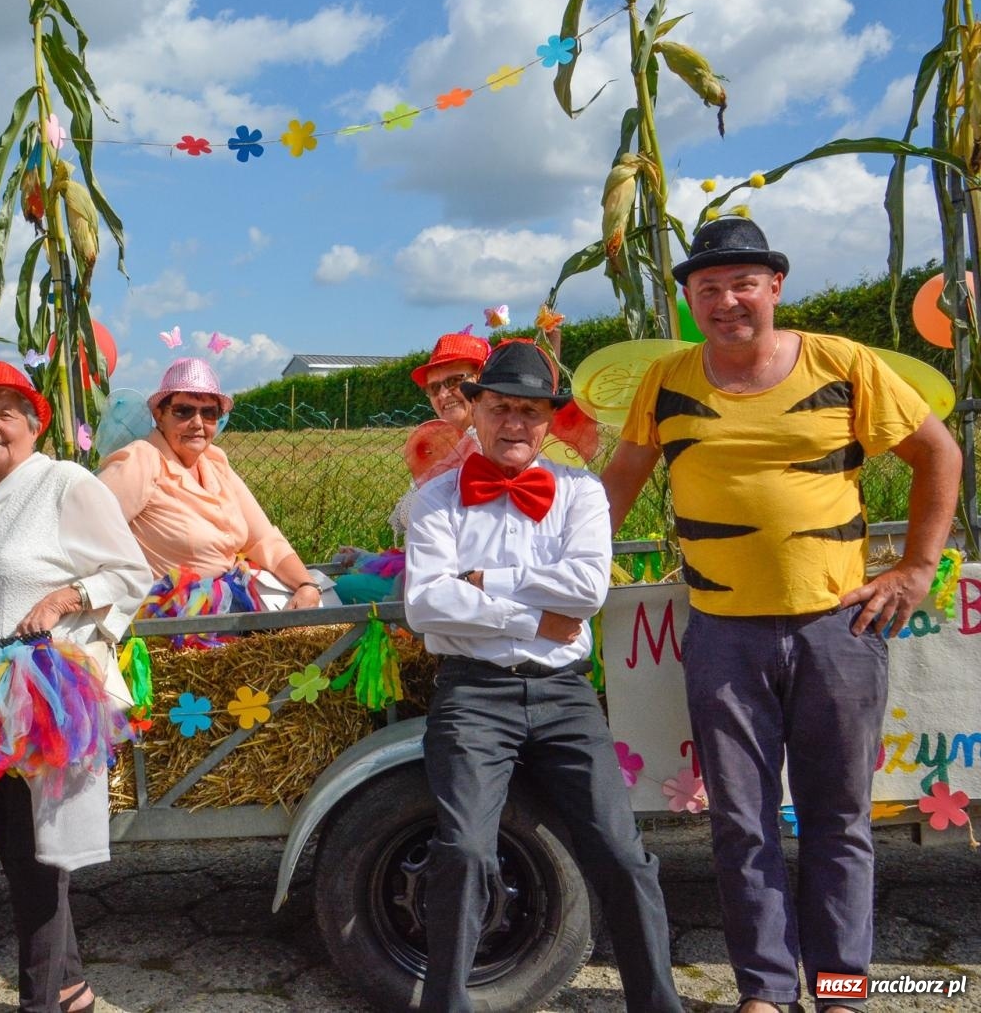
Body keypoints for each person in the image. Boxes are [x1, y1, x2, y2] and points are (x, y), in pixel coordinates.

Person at [600, 218, 962, 1013]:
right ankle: (764, 992)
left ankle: (838, 991)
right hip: (724, 634)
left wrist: (915, 568)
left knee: (840, 818)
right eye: (708, 289)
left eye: (743, 284)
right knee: (741, 822)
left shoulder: (844, 362)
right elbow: (618, 482)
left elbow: (939, 454)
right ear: (691, 299)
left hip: (840, 630)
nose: (727, 301)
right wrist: (561, 568)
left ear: (774, 287)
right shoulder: (666, 380)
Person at [405, 339, 681, 1013]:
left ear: (549, 419)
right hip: (474, 691)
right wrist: (534, 618)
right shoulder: (437, 500)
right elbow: (426, 604)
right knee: (465, 850)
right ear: (474, 410)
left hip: (563, 694)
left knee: (621, 850)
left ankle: (657, 1003)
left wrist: (486, 584)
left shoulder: (581, 494)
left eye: (531, 412)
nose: (515, 424)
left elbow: (585, 590)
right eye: (500, 408)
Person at [0, 360, 148, 1013]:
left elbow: (132, 572)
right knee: (20, 849)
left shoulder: (65, 484)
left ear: (35, 424)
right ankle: (70, 987)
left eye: (6, 413)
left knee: (45, 857)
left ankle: (40, 999)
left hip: (47, 696)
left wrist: (70, 592)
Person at [99, 356, 329, 629]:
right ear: (159, 415)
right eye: (183, 411)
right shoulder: (142, 460)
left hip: (230, 605)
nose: (198, 423)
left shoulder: (215, 462)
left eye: (209, 413)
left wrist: (306, 585)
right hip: (174, 622)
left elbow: (263, 539)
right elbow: (83, 530)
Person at [335, 330, 491, 605]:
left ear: (483, 381)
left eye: (455, 381)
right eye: (434, 388)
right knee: (341, 571)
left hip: (457, 583)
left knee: (340, 589)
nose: (444, 394)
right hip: (427, 567)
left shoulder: (487, 448)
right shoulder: (446, 447)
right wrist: (368, 557)